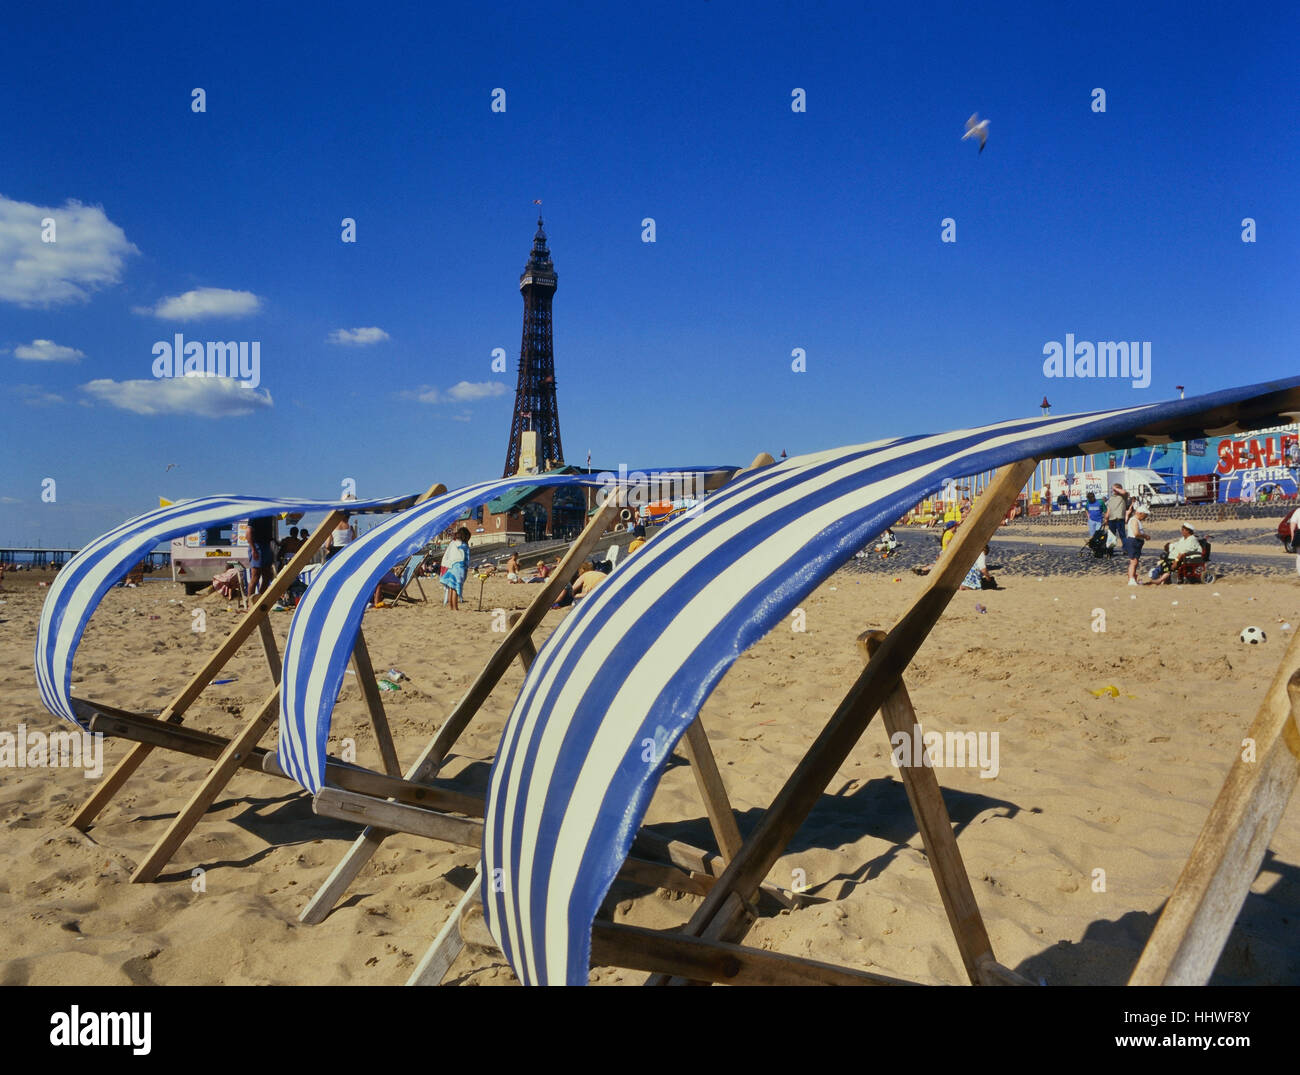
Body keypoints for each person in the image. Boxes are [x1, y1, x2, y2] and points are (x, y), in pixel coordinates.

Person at [438, 527, 471, 610]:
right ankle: (455, 607)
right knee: (456, 588)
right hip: (459, 569)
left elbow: (449, 555)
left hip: (451, 567)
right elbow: (465, 558)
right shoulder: (464, 545)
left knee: (451, 588)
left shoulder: (453, 543)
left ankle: (451, 607)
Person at [247, 514, 276, 595]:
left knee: (267, 576)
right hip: (257, 546)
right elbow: (248, 532)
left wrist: (273, 545)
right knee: (256, 576)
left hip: (266, 545)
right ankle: (250, 602)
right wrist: (253, 549)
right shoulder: (255, 515)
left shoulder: (269, 516)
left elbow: (267, 534)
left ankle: (260, 599)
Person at [1124, 504, 1149, 585]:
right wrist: (1145, 536)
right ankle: (1131, 579)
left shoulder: (1137, 520)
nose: (1145, 517)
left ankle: (1133, 578)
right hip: (1133, 541)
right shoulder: (1134, 520)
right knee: (1133, 561)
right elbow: (1136, 533)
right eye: (1145, 515)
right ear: (1140, 513)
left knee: (1135, 561)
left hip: (1136, 542)